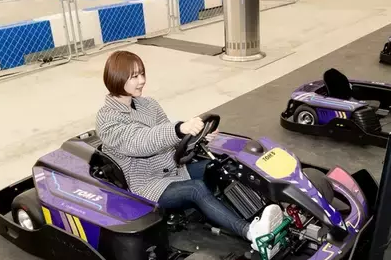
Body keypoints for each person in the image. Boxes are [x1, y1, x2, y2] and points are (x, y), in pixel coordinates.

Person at [95, 50, 284, 249]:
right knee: (196, 189)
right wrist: (179, 128)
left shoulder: (148, 104)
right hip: (147, 185)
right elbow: (140, 141)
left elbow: (172, 141)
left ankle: (264, 212)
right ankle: (252, 233)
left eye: (142, 74)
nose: (142, 80)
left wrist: (198, 137)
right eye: (134, 76)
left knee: (220, 166)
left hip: (172, 170)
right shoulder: (107, 119)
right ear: (117, 77)